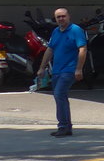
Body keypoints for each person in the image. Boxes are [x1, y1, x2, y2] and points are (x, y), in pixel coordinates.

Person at [36, 8, 87, 137]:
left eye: (63, 16)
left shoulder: (76, 30)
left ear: (69, 16)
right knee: (60, 97)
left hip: (69, 70)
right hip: (57, 70)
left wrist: (79, 68)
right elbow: (50, 50)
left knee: (59, 94)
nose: (61, 19)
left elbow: (82, 49)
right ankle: (66, 127)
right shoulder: (56, 31)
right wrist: (42, 68)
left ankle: (63, 126)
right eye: (58, 17)